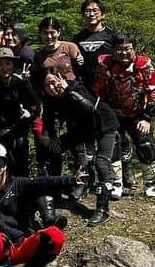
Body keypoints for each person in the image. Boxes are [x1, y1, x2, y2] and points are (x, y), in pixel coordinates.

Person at [38, 69, 119, 226]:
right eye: (48, 85)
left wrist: (68, 90)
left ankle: (102, 209)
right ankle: (54, 192)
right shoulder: (49, 99)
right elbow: (48, 120)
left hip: (104, 123)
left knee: (101, 163)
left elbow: (89, 108)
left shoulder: (77, 88)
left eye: (55, 82)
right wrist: (53, 138)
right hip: (82, 129)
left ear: (61, 78)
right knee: (51, 150)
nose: (53, 87)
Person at [94, 34, 155, 198]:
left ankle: (150, 185)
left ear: (133, 49)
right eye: (119, 49)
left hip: (138, 113)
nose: (123, 53)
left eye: (127, 49)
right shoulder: (106, 64)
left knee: (145, 146)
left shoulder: (143, 65)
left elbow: (154, 91)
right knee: (115, 146)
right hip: (114, 113)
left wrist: (147, 118)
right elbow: (99, 90)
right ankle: (117, 183)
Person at [0, 48, 38, 180]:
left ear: (13, 65)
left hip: (19, 125)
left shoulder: (20, 81)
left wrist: (26, 83)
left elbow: (34, 102)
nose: (4, 68)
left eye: (8, 63)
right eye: (0, 64)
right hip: (0, 126)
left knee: (20, 153)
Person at [72, 0, 118, 88]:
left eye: (95, 10)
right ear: (83, 15)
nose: (91, 14)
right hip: (84, 84)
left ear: (103, 14)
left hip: (108, 83)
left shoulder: (112, 36)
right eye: (88, 11)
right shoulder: (77, 38)